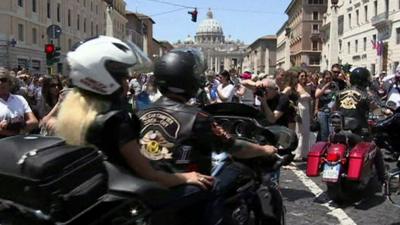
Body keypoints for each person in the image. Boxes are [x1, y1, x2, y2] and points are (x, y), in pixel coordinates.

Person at [55, 39, 277, 225]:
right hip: (157, 187)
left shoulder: (134, 113)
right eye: (123, 77)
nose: (127, 82)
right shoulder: (194, 118)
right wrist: (264, 149)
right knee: (215, 185)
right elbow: (234, 147)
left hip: (121, 190)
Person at [335, 67, 386, 183]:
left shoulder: (339, 94)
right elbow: (376, 110)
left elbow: (334, 109)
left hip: (339, 131)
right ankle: (383, 179)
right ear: (364, 80)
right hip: (360, 133)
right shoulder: (365, 95)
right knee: (376, 150)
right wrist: (385, 112)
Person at [0, 70, 38, 138]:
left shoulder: (20, 99)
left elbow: (34, 122)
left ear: (9, 82)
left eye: (3, 80)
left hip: (21, 142)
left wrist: (11, 126)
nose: (0, 83)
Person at [315, 70, 339, 141]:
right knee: (324, 132)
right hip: (322, 111)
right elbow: (317, 96)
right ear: (323, 78)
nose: (328, 80)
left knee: (332, 132)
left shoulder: (334, 86)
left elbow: (337, 97)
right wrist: (324, 87)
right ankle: (323, 147)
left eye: (329, 78)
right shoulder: (320, 85)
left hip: (332, 112)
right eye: (326, 78)